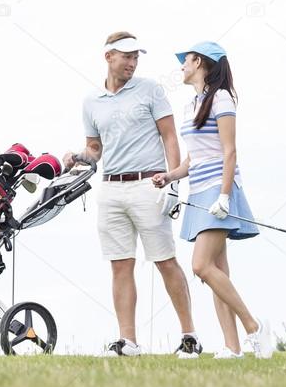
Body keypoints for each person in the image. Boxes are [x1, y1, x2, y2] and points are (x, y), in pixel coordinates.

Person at [63, 31, 202, 359]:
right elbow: (95, 148)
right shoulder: (91, 101)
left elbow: (169, 136)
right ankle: (128, 342)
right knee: (120, 266)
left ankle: (189, 336)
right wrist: (79, 158)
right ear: (108, 57)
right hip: (110, 188)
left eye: (136, 56)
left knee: (165, 261)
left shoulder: (151, 90)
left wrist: (173, 183)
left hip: (148, 185)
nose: (132, 62)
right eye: (126, 56)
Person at [151, 41, 274, 360]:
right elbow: (194, 159)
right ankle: (232, 348)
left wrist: (223, 195)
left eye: (186, 60)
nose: (182, 66)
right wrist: (170, 176)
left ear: (201, 63)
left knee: (201, 266)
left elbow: (229, 150)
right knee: (218, 270)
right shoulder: (193, 104)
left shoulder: (221, 98)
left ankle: (253, 327)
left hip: (221, 188)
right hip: (200, 190)